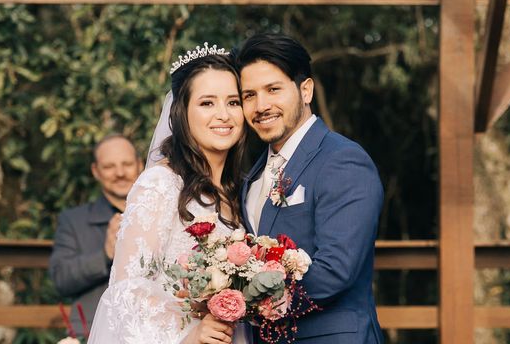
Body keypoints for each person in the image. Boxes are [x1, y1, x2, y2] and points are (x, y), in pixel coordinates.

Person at [88, 45, 251, 344]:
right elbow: (128, 290)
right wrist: (191, 335)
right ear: (182, 113)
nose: (223, 115)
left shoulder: (242, 190)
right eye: (207, 103)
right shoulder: (160, 185)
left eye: (233, 102)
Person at [236, 33, 384, 344]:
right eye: (249, 95)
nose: (261, 106)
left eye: (273, 89)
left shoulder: (342, 160)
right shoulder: (253, 173)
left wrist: (245, 304)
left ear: (306, 90)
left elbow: (336, 270)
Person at [50, 135, 143, 335]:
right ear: (96, 171)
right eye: (109, 166)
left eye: (126, 164)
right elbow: (60, 280)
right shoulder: (74, 221)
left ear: (140, 165)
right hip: (92, 331)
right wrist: (105, 255)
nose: (120, 173)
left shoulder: (162, 212)